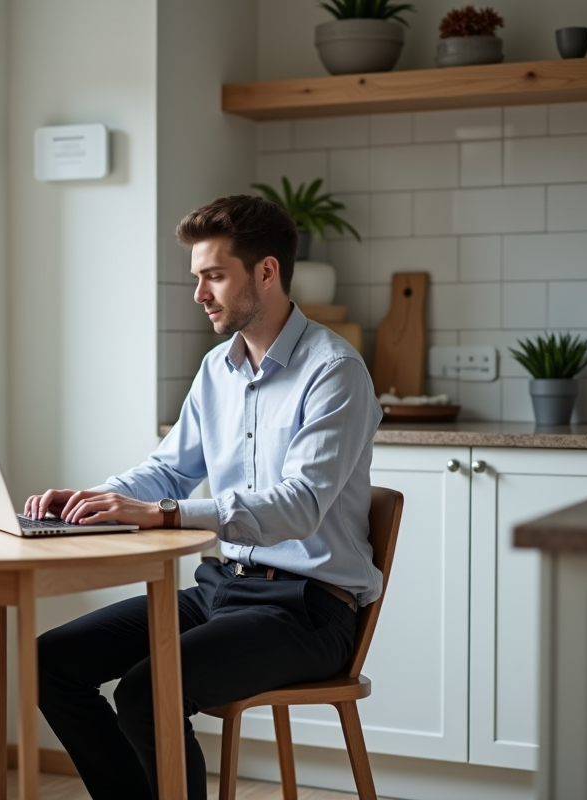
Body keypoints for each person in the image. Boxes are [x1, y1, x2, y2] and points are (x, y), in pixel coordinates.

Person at [25, 194, 383, 800]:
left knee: (147, 691)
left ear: (266, 271)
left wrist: (162, 515)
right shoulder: (218, 368)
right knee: (49, 662)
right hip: (222, 590)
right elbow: (167, 471)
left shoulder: (334, 371)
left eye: (214, 275)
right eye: (198, 277)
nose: (200, 294)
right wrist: (96, 500)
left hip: (306, 608)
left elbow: (296, 505)